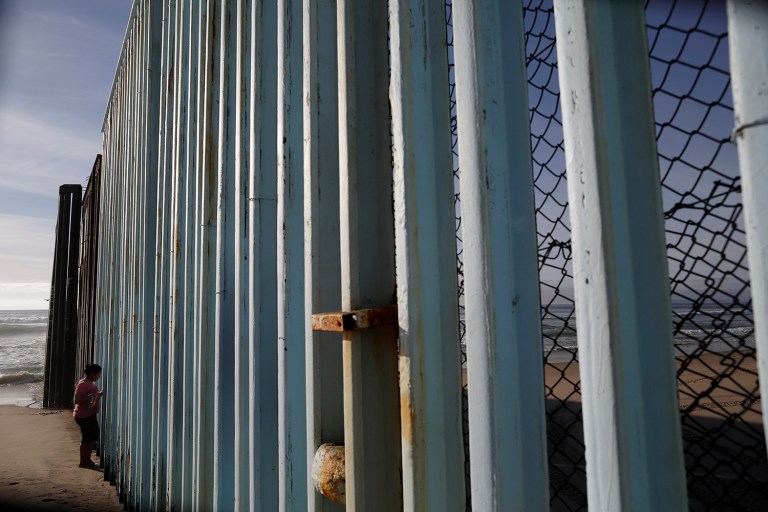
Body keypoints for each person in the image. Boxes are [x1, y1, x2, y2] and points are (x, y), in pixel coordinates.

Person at [73, 363, 103, 469]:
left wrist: (97, 396)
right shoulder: (83, 384)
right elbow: (77, 400)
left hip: (89, 414)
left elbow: (92, 399)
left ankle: (87, 460)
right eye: (98, 374)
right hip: (83, 416)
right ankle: (83, 462)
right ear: (92, 373)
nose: (99, 376)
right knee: (87, 439)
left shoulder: (89, 383)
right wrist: (89, 396)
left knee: (93, 437)